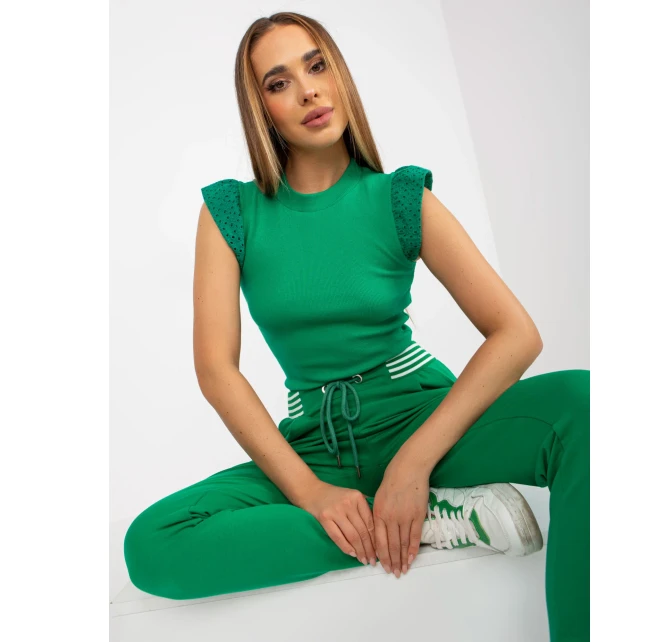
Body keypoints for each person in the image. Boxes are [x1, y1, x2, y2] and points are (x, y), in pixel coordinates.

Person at [123, 12, 589, 642]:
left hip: (424, 425)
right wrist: (312, 492)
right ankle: (428, 524)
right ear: (262, 110)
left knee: (585, 404)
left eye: (317, 66)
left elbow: (516, 333)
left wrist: (413, 464)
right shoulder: (231, 212)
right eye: (279, 82)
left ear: (339, 75)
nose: (308, 90)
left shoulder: (400, 198)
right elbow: (216, 370)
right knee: (152, 543)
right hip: (316, 448)